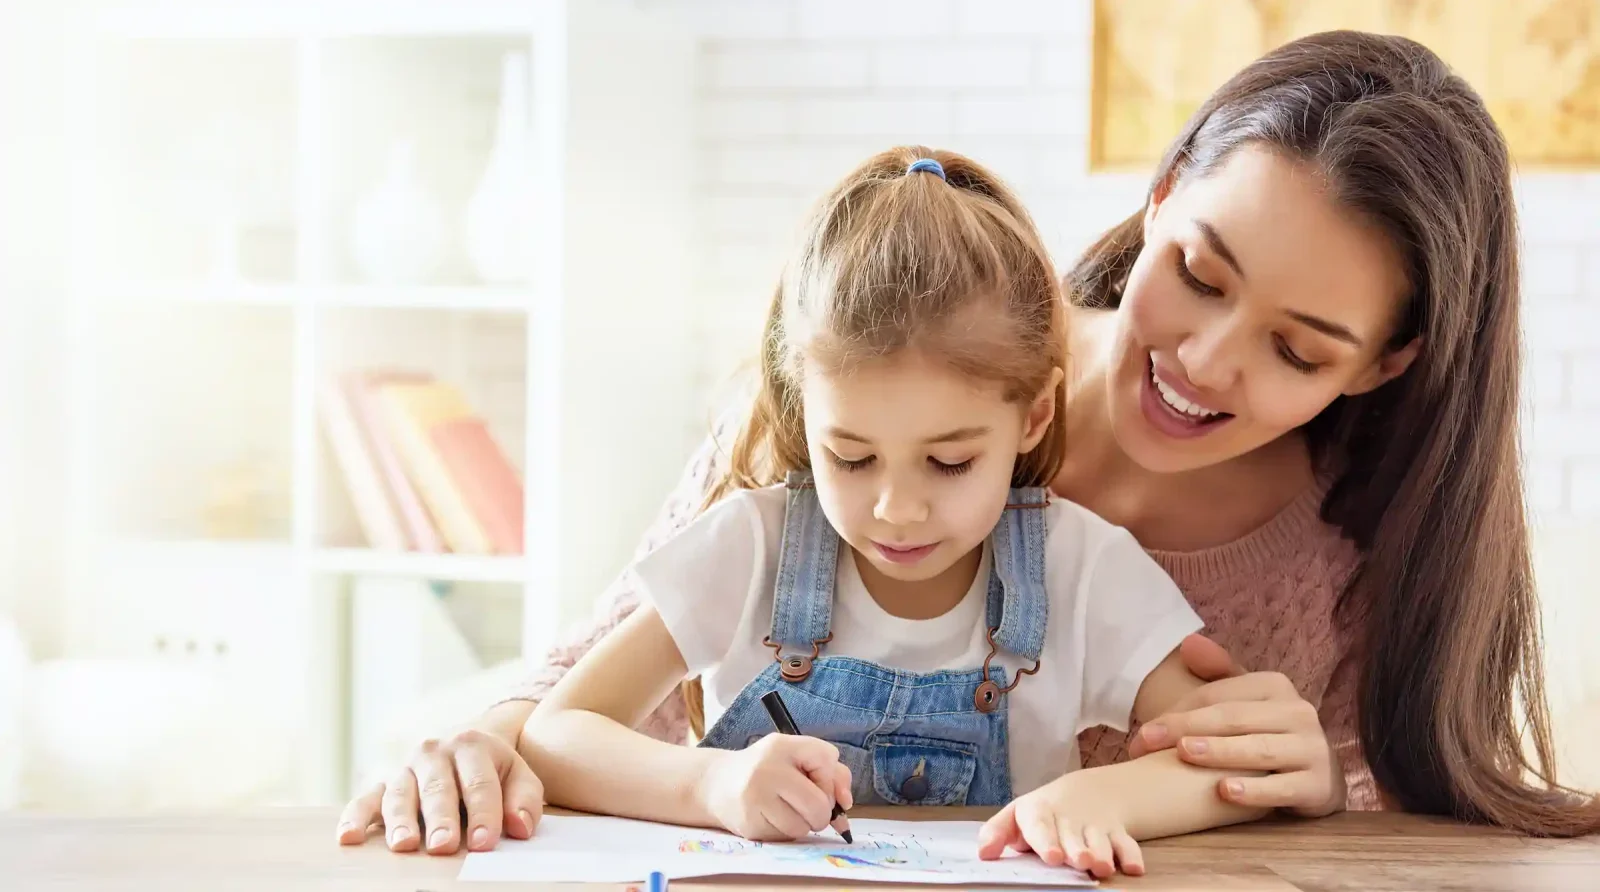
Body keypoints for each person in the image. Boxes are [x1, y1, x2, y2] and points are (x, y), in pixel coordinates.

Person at [337, 29, 1600, 858]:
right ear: (1157, 200)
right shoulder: (899, 359)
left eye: (1297, 349)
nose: (1208, 360)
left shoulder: (1346, 555)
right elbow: (588, 686)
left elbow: (1368, 828)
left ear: (1384, 363)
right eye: (1199, 273)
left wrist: (1316, 782)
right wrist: (482, 739)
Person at [522, 146, 1276, 878]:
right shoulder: (752, 548)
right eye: (850, 457)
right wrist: (710, 785)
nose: (896, 509)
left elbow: (1234, 763)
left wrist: (1103, 795)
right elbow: (556, 734)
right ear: (802, 408)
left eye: (950, 462)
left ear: (1035, 415)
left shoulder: (1079, 570)